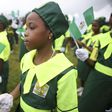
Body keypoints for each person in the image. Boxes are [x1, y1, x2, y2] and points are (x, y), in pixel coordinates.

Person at [0, 2, 78, 112]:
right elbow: (25, 82)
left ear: (50, 33)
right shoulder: (27, 58)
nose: (25, 33)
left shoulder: (65, 72)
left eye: (31, 27)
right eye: (26, 28)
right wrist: (11, 95)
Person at [76, 29, 112, 112]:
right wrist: (85, 58)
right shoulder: (101, 38)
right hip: (96, 78)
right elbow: (92, 61)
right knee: (87, 105)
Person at [0, 15, 10, 93]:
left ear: (2, 25)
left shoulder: (1, 40)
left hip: (2, 65)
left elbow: (0, 59)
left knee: (2, 83)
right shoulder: (2, 34)